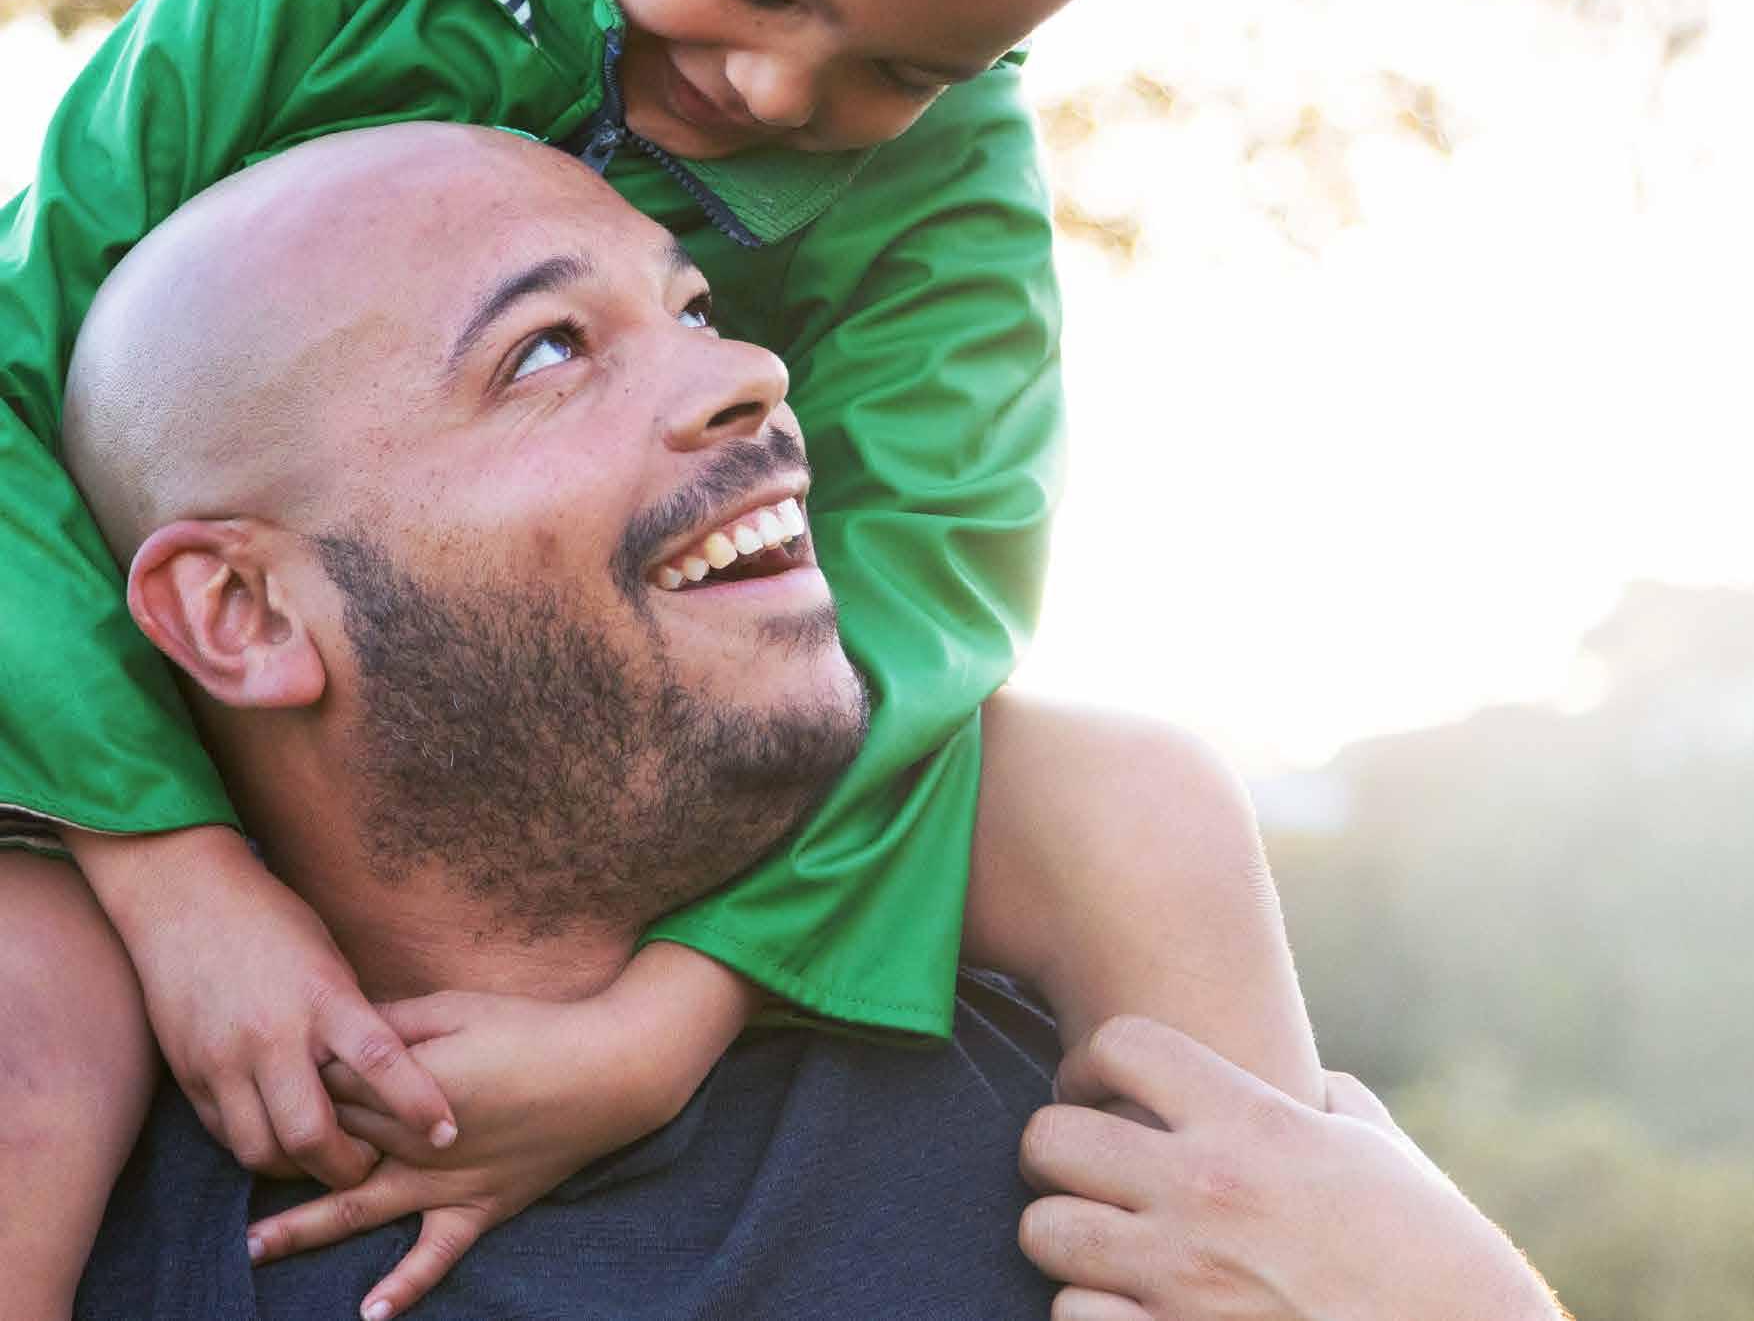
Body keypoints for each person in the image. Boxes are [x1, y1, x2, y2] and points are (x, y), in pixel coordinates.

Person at [0, 0, 1324, 1321]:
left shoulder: (952, 178)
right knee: (27, 1012)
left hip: (701, 752)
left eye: (901, 71)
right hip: (104, 709)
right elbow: (15, 367)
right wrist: (172, 868)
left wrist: (669, 1018)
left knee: (1100, 797)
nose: (781, 95)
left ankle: (1281, 1243)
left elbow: (933, 580)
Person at [50, 124, 1563, 1321]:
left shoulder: (1152, 1089)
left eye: (694, 307)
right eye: (549, 350)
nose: (751, 374)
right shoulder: (71, 1204)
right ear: (244, 613)